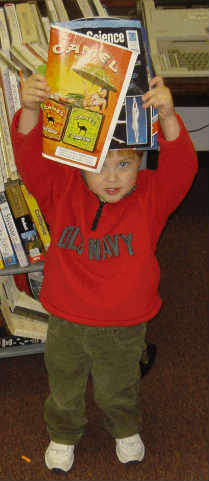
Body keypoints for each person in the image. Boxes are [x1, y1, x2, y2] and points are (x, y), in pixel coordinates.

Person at [11, 74, 198, 473]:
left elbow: (183, 168)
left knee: (119, 388)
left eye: (124, 164)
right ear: (79, 163)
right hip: (66, 320)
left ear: (139, 162)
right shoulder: (61, 188)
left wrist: (167, 117)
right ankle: (63, 433)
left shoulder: (151, 195)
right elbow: (29, 160)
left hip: (124, 324)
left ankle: (125, 428)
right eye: (99, 166)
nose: (112, 178)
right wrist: (29, 110)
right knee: (64, 388)